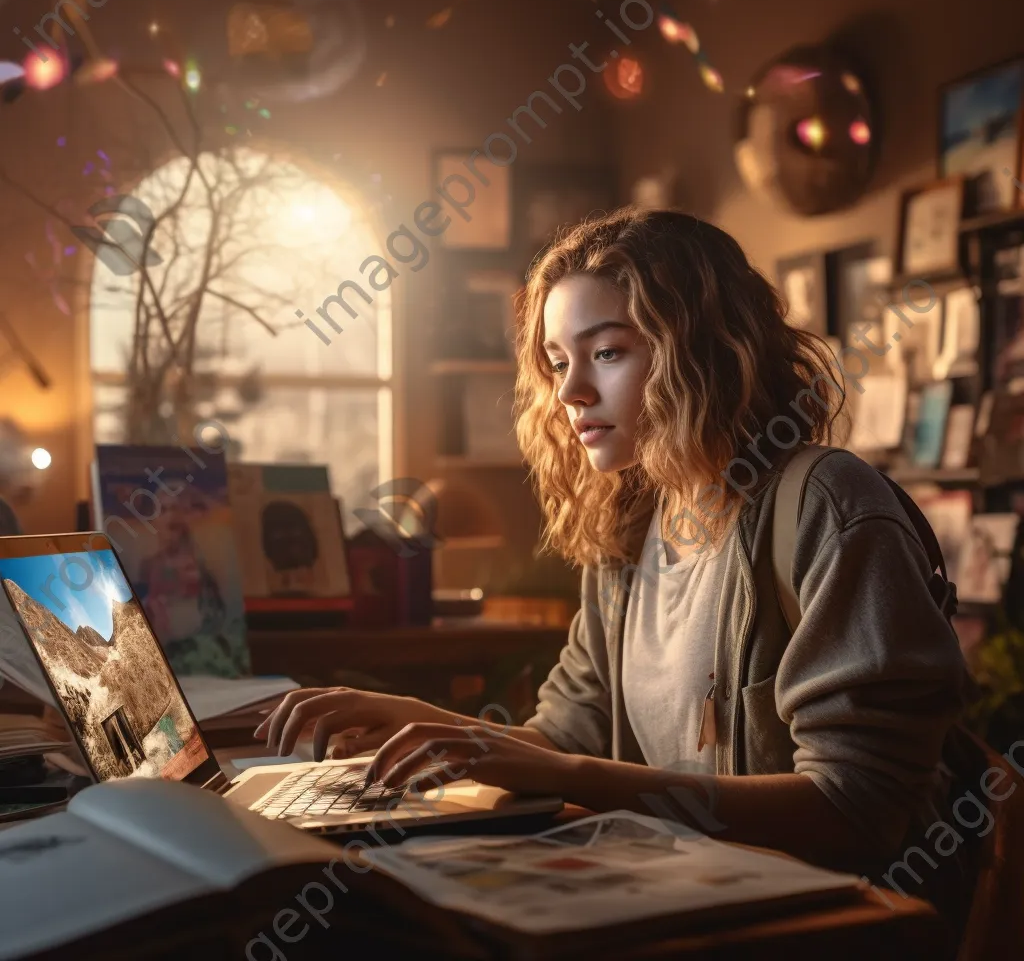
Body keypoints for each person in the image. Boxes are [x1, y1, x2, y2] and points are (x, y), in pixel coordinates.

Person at [256, 207, 971, 933]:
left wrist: (567, 777)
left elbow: (859, 809)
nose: (569, 394)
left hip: (817, 937)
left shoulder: (825, 504)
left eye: (606, 353)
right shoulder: (631, 526)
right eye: (558, 361)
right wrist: (424, 723)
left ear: (705, 350)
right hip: (684, 911)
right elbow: (570, 734)